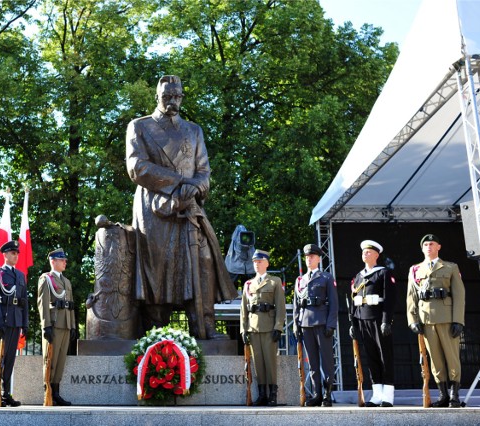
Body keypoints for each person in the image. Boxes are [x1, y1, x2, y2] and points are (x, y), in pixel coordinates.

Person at [125, 75, 238, 339]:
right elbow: (136, 167)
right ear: (157, 97)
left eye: (177, 97)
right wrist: (180, 182)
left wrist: (197, 187)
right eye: (167, 97)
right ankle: (156, 334)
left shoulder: (193, 130)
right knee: (158, 271)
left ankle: (204, 327)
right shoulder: (139, 126)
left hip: (189, 207)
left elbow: (204, 172)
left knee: (202, 261)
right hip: (155, 207)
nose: (172, 102)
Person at [407, 234, 465, 408]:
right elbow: (412, 296)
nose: (429, 247)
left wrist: (458, 320)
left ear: (438, 246)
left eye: (432, 244)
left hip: (447, 318)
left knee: (452, 357)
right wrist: (413, 319)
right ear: (422, 248)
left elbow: (459, 295)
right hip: (426, 320)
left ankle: (454, 394)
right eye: (425, 244)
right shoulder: (415, 270)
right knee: (435, 359)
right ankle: (443, 394)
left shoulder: (450, 267)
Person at [349, 240, 396, 407]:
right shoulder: (358, 277)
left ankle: (388, 395)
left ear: (377, 255)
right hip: (363, 320)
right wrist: (353, 324)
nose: (365, 254)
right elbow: (355, 302)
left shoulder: (383, 273)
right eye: (363, 252)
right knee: (371, 357)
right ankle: (376, 394)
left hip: (378, 319)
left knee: (384, 356)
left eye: (369, 252)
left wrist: (386, 321)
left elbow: (389, 300)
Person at [293, 243, 338, 407]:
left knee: (326, 360)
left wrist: (331, 324)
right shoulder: (300, 280)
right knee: (312, 362)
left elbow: (334, 303)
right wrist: (296, 326)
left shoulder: (326, 278)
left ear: (318, 258)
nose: (309, 259)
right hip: (305, 324)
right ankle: (317, 394)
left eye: (312, 256)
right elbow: (297, 305)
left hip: (322, 322)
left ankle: (327, 394)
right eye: (306, 257)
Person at [240, 249, 286, 406]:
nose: (256, 264)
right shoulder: (249, 284)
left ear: (267, 263)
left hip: (269, 327)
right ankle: (262, 394)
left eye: (259, 261)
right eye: (254, 262)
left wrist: (278, 327)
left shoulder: (275, 282)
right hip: (253, 329)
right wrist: (243, 330)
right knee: (258, 362)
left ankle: (273, 393)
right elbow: (243, 310)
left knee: (270, 362)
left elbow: (280, 307)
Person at [0, 240, 29, 407]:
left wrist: (24, 323)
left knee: (10, 358)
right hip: (3, 320)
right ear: (5, 255)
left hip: (16, 320)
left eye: (17, 253)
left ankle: (5, 392)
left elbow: (24, 301)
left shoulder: (20, 275)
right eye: (13, 253)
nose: (16, 255)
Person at [38, 248, 76, 406]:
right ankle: (48, 392)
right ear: (53, 261)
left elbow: (71, 305)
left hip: (66, 324)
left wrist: (73, 325)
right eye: (62, 260)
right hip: (53, 324)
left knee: (61, 361)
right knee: (51, 360)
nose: (65, 262)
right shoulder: (46, 279)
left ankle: (57, 393)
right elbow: (42, 304)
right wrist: (45, 325)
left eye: (65, 260)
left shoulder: (66, 282)